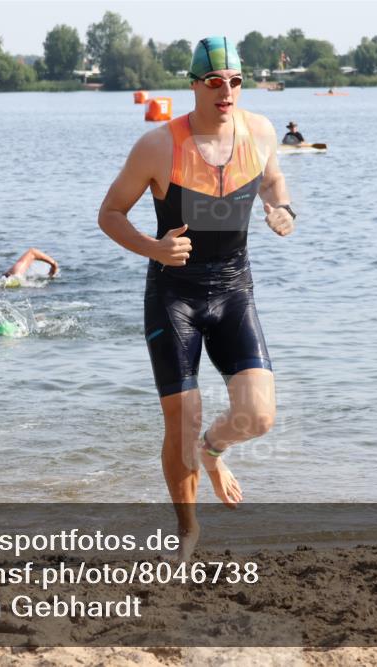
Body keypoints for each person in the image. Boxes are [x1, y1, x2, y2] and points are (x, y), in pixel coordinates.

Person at [98, 36, 296, 559]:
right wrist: (153, 248)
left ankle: (214, 452)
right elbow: (110, 214)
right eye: (215, 82)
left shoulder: (260, 131)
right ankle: (188, 532)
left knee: (258, 416)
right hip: (175, 295)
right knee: (181, 422)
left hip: (234, 289)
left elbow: (274, 182)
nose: (227, 91)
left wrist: (284, 211)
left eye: (235, 81)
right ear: (194, 86)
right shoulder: (158, 146)